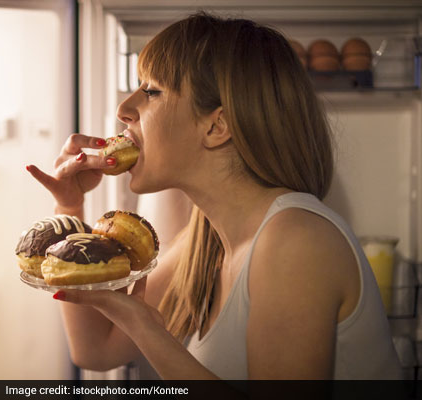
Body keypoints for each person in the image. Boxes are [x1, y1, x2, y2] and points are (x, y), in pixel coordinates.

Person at [26, 11, 402, 380]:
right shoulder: (205, 239)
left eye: (151, 91)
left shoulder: (295, 241)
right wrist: (70, 206)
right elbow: (97, 350)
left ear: (217, 125)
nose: (125, 110)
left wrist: (148, 330)